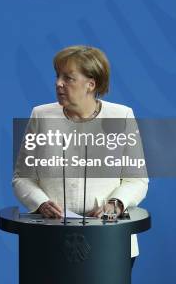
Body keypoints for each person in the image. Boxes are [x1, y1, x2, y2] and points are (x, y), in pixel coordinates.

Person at [12, 45, 148, 266]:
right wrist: (41, 202)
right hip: (48, 240)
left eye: (68, 78)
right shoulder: (41, 115)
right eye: (57, 76)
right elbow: (22, 177)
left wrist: (116, 204)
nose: (58, 84)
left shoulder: (122, 116)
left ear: (91, 84)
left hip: (109, 242)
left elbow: (137, 180)